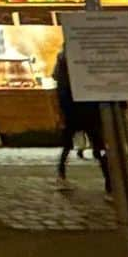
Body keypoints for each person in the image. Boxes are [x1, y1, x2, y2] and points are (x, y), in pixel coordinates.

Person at [54, 50, 110, 193]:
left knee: (69, 145)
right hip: (85, 110)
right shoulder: (79, 65)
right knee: (98, 147)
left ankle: (61, 175)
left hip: (74, 111)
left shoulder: (64, 68)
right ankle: (109, 185)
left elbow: (61, 92)